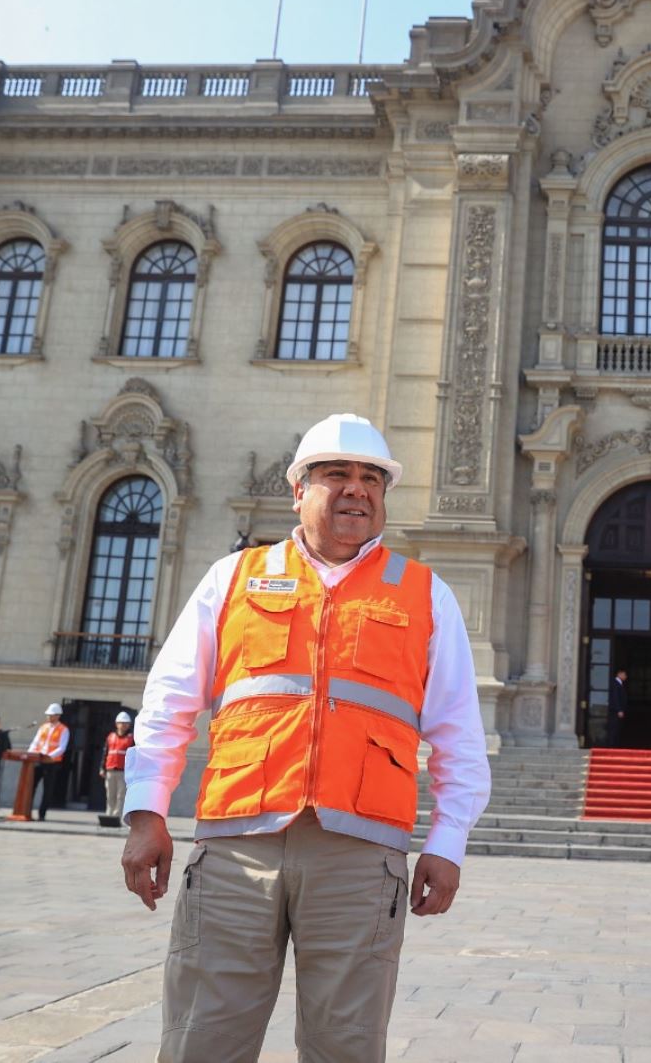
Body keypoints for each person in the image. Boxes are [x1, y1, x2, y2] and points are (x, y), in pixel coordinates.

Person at [120, 412, 491, 1062]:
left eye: (372, 478)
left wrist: (449, 839)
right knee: (201, 1039)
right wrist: (147, 812)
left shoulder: (424, 594)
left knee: (344, 1046)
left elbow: (460, 732)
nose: (356, 489)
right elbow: (168, 701)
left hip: (359, 857)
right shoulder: (233, 577)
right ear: (299, 489)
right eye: (337, 475)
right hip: (237, 850)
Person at [28, 702, 69, 821]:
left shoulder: (63, 729)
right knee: (31, 786)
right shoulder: (43, 727)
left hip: (51, 763)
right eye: (48, 715)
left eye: (51, 715)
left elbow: (62, 747)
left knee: (47, 789)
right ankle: (27, 810)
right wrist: (30, 753)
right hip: (38, 760)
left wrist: (49, 756)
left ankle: (42, 814)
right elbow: (35, 742)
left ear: (58, 715)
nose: (49, 717)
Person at [101, 711, 134, 819]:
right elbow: (105, 752)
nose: (123, 725)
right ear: (116, 724)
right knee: (110, 794)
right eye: (121, 723)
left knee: (121, 795)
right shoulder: (110, 737)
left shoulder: (131, 738)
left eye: (125, 723)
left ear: (129, 725)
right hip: (110, 769)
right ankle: (109, 814)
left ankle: (117, 815)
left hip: (123, 771)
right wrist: (102, 768)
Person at [607, 667, 629, 745]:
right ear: (619, 674)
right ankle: (611, 746)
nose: (626, 676)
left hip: (618, 711)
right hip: (615, 711)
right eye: (625, 674)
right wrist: (619, 710)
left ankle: (614, 745)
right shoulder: (615, 683)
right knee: (613, 729)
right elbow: (615, 697)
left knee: (617, 729)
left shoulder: (619, 683)